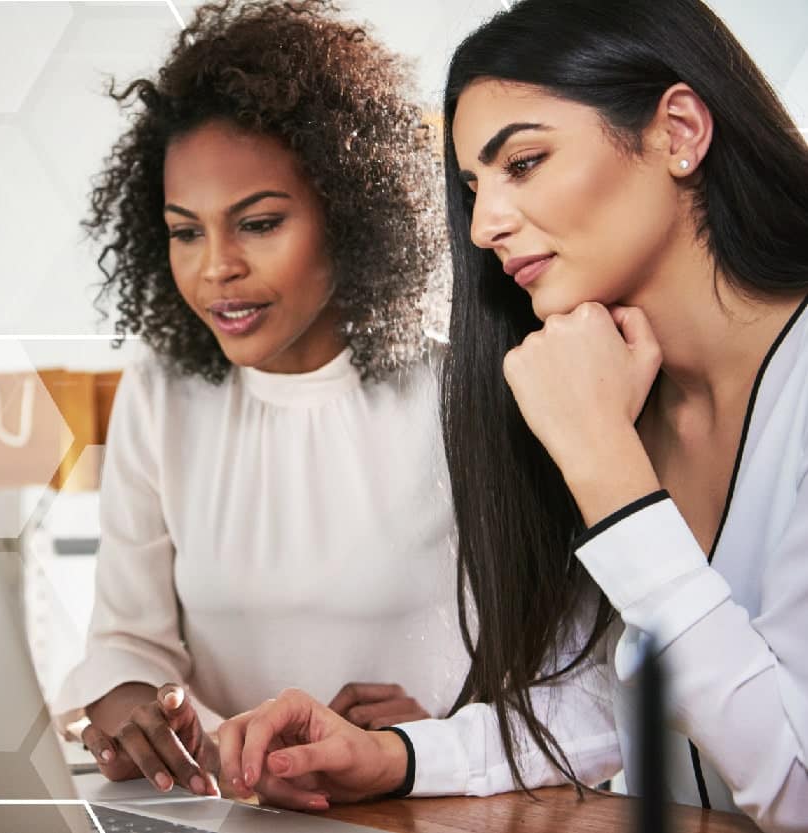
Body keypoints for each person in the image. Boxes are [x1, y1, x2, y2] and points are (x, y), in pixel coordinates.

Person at [214, 1, 808, 830]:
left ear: (677, 131)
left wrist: (605, 466)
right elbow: (634, 693)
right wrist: (393, 755)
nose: (486, 223)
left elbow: (793, 780)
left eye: (522, 162)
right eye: (472, 187)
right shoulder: (626, 389)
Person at [50, 0, 466, 806]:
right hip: (227, 811)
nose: (216, 269)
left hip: (420, 813)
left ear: (349, 213)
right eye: (185, 231)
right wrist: (132, 704)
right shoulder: (163, 391)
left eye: (259, 223)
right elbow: (125, 640)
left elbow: (550, 685)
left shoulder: (456, 392)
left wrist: (425, 741)